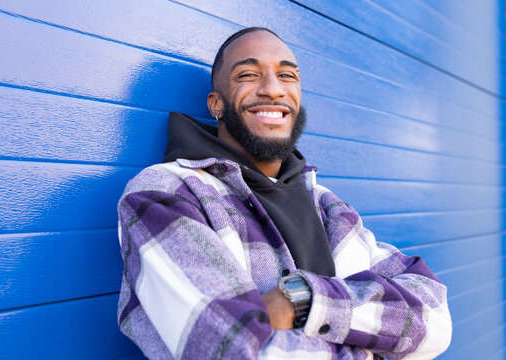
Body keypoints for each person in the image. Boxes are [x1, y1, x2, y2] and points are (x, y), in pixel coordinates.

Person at [117, 27, 452, 360]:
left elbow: (435, 316)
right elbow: (235, 351)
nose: (273, 89)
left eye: (287, 75)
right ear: (216, 104)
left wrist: (304, 300)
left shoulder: (326, 206)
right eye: (248, 74)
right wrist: (372, 346)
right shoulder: (167, 194)